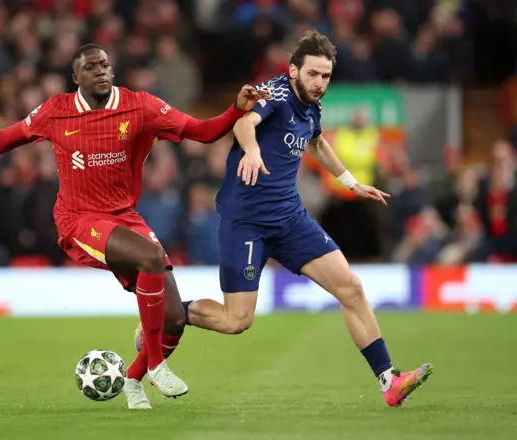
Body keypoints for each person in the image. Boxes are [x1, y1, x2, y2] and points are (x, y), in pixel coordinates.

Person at [0, 43, 268, 410]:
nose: (101, 71)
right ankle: (157, 364)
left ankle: (133, 380)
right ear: (75, 77)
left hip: (124, 217)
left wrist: (236, 108)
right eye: (92, 67)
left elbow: (203, 132)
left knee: (174, 318)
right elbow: (3, 138)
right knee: (152, 257)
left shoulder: (140, 105)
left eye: (106, 65)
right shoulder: (56, 111)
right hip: (78, 220)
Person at [136, 32, 432, 408]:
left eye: (326, 76)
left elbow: (317, 142)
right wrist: (253, 150)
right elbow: (244, 123)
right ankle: (166, 317)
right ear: (293, 71)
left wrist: (351, 182)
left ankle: (389, 381)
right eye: (313, 75)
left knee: (351, 289)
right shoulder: (273, 95)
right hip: (246, 222)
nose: (320, 83)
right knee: (236, 321)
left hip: (289, 218)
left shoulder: (312, 105)